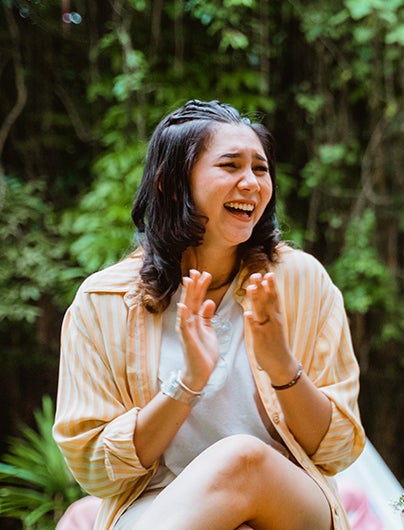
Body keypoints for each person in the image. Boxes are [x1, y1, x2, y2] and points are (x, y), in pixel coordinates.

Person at [53, 99, 365, 530]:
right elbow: (94, 469)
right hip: (158, 503)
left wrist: (281, 365)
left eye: (260, 168)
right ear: (171, 184)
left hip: (289, 505)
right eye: (230, 165)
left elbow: (337, 451)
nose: (251, 182)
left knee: (244, 459)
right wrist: (187, 383)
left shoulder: (302, 282)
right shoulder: (102, 301)